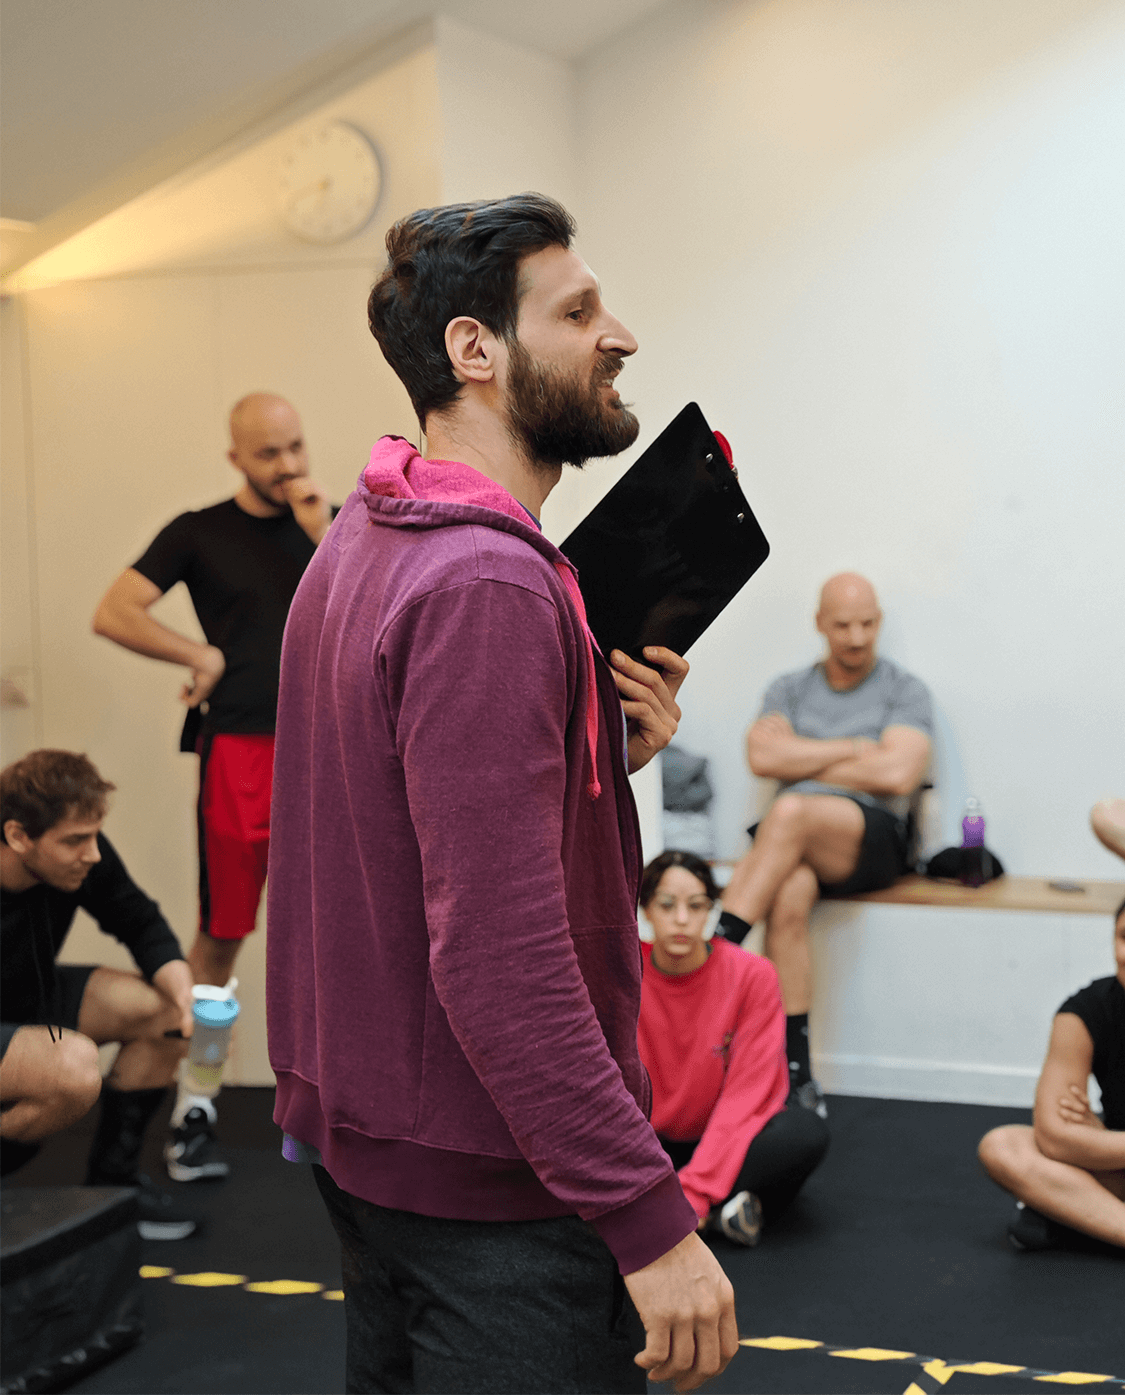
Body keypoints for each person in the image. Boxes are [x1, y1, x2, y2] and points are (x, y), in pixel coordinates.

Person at [267, 194, 738, 1394]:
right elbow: (498, 950)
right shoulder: (488, 584)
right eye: (578, 313)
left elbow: (400, 815)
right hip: (496, 1184)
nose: (619, 335)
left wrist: (593, 758)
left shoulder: (367, 533)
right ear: (475, 348)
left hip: (378, 1143)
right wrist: (646, 1216)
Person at [92, 392, 333, 1182]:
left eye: (295, 446)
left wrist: (322, 534)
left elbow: (373, 609)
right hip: (239, 753)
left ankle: (342, 1110)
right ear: (236, 457)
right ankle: (194, 1106)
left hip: (326, 752)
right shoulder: (199, 531)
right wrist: (198, 655)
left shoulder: (336, 528)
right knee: (221, 939)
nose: (287, 465)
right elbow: (115, 611)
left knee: (339, 935)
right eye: (268, 453)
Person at [714, 573, 933, 1116]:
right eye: (843, 625)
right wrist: (856, 748)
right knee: (788, 896)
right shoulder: (788, 689)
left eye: (867, 623)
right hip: (794, 843)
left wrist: (802, 754)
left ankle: (715, 957)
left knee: (789, 811)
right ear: (820, 624)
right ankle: (797, 1075)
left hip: (872, 837)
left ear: (879, 620)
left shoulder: (904, 689)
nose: (857, 637)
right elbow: (762, 757)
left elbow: (900, 773)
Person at [1, 750, 199, 1239]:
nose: (91, 853)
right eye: (74, 840)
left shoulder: (83, 860)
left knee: (165, 1013)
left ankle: (113, 1191)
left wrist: (186, 997)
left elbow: (141, 922)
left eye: (93, 836)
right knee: (71, 1070)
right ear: (18, 836)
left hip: (27, 996)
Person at [638, 850, 829, 1248]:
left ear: (711, 910)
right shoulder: (624, 971)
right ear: (646, 910)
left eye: (696, 906)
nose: (681, 919)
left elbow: (748, 1092)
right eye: (667, 905)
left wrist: (695, 1191)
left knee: (805, 1132)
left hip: (724, 1140)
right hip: (650, 1145)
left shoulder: (751, 974)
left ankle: (685, 1206)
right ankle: (732, 1208)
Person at [977, 805, 1125, 1251]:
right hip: (1117, 1160)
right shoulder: (1084, 1012)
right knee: (1003, 1147)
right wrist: (1098, 1142)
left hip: (1111, 1151)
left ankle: (1071, 1217)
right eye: (1123, 937)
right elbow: (1055, 1136)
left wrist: (1094, 1140)